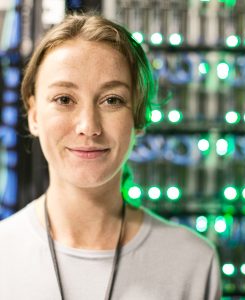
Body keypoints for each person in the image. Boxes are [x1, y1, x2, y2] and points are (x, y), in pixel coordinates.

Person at [0, 13, 221, 300]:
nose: (88, 127)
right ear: (33, 115)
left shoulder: (192, 262)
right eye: (64, 99)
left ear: (139, 118)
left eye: (112, 100)